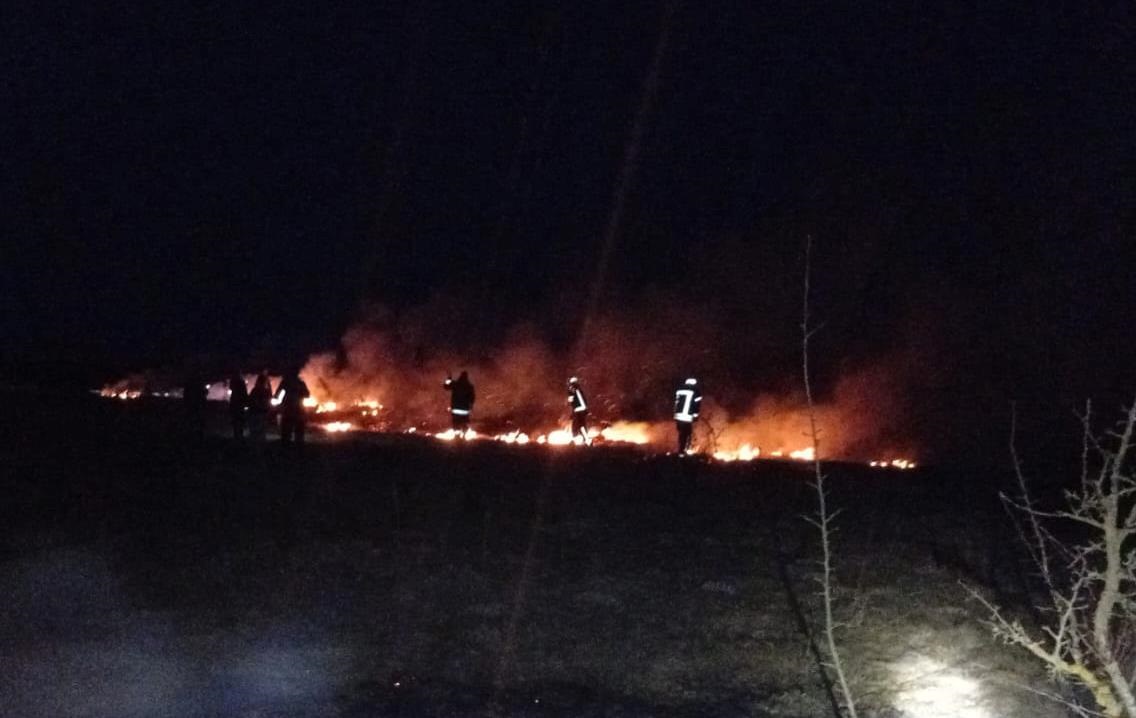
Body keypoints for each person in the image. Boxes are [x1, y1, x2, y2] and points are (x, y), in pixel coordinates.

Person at [275, 367, 311, 445]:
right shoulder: (301, 383)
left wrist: (277, 400)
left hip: (288, 409)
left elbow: (277, 394)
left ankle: (286, 446)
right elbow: (307, 395)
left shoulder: (285, 382)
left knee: (286, 430)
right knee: (299, 432)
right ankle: (298, 447)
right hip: (298, 409)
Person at [673, 377, 702, 454]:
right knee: (687, 433)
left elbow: (676, 403)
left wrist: (675, 415)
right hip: (687, 417)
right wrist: (695, 416)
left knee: (681, 433)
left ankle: (680, 449)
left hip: (678, 416)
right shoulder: (696, 391)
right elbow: (696, 405)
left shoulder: (679, 390)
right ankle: (684, 451)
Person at [247, 371, 273, 442]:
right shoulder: (265, 391)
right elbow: (270, 396)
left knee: (255, 433)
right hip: (261, 413)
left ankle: (254, 445)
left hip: (255, 413)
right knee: (261, 433)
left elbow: (250, 400)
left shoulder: (255, 390)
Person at [567, 376, 590, 444]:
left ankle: (579, 439)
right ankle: (586, 439)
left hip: (578, 410)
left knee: (576, 425)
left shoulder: (573, 390)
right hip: (582, 410)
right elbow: (583, 401)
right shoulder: (579, 390)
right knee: (582, 425)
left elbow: (571, 402)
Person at [228, 371, 249, 440]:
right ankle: (239, 435)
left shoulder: (234, 382)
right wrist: (246, 402)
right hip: (239, 404)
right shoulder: (241, 383)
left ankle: (237, 435)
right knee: (239, 420)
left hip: (235, 404)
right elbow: (245, 393)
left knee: (236, 420)